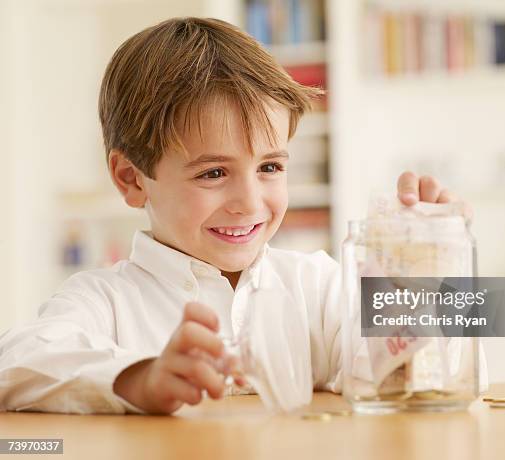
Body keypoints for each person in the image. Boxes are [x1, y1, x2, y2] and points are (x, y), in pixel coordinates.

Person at [0, 17, 466, 415]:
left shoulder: (316, 283)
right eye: (214, 172)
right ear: (131, 179)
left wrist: (429, 277)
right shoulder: (105, 300)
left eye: (269, 167)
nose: (249, 200)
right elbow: (16, 364)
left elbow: (406, 374)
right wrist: (138, 379)